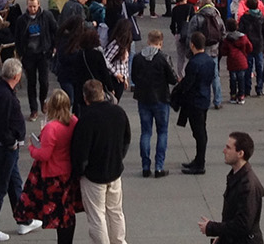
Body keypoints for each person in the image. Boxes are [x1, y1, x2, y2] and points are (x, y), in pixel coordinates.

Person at [70, 80, 129, 244]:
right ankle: (120, 241)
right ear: (103, 93)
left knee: (97, 216)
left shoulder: (86, 120)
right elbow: (126, 140)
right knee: (116, 211)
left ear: (85, 97)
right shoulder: (118, 113)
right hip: (115, 170)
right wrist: (118, 157)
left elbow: (80, 153)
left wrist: (79, 172)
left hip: (94, 175)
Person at [18, 90, 79, 244]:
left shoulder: (51, 128)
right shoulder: (73, 121)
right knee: (67, 213)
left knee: (58, 215)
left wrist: (32, 148)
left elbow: (44, 155)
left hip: (53, 174)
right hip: (69, 171)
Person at [0, 59, 32, 241]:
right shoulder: (5, 95)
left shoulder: (0, 90)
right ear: (16, 76)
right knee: (0, 186)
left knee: (14, 182)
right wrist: (11, 141)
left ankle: (23, 219)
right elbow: (3, 123)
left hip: (4, 146)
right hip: (5, 147)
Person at [197, 131, 263, 244]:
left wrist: (212, 228)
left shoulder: (247, 185)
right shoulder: (236, 176)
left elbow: (243, 224)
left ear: (240, 153)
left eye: (228, 148)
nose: (224, 151)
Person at [128, 29, 176, 178]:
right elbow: (172, 79)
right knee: (162, 132)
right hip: (161, 98)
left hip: (143, 98)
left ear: (148, 41)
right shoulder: (164, 58)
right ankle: (159, 167)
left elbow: (134, 77)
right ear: (160, 42)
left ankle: (145, 166)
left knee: (146, 132)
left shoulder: (137, 58)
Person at [179, 32, 216, 175]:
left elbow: (188, 84)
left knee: (199, 132)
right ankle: (198, 159)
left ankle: (200, 162)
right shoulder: (209, 61)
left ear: (192, 44)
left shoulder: (193, 63)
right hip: (204, 98)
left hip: (194, 100)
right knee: (200, 130)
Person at [12, 0, 54, 120]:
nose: (32, 9)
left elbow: (54, 30)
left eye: (34, 6)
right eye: (30, 6)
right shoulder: (22, 20)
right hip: (29, 55)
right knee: (31, 83)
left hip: (43, 53)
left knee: (44, 81)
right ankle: (33, 109)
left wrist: (53, 47)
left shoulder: (46, 16)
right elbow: (17, 37)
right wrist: (21, 53)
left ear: (39, 5)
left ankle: (43, 100)